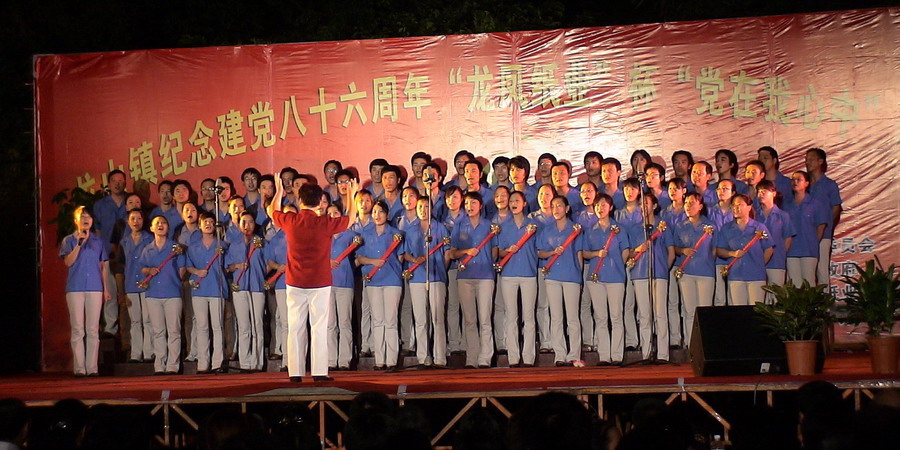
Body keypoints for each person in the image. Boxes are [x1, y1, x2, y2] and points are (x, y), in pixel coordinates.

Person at [268, 175, 357, 382]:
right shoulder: (324, 223)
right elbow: (351, 217)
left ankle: (295, 372)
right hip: (320, 282)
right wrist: (351, 194)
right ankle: (319, 372)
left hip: (295, 281)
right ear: (319, 203)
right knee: (319, 327)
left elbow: (272, 211)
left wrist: (279, 191)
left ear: (300, 201)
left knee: (295, 327)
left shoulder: (291, 220)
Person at [60, 206, 111, 376]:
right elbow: (68, 262)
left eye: (88, 217)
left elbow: (103, 266)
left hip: (95, 287)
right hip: (75, 287)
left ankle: (92, 368)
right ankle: (79, 368)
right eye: (82, 217)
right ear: (76, 220)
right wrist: (79, 244)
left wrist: (106, 289)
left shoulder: (98, 241)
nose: (86, 220)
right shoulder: (69, 240)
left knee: (93, 329)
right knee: (77, 329)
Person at [449, 191, 497, 368]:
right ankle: (472, 358)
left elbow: (494, 250)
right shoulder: (459, 225)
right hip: (465, 276)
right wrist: (465, 252)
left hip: (485, 276)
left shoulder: (489, 226)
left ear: (481, 205)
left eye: (473, 203)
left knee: (485, 318)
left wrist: (488, 263)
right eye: (467, 203)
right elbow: (452, 253)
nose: (470, 207)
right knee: (469, 320)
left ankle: (485, 358)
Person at [402, 196, 450, 367]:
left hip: (436, 277)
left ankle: (440, 357)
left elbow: (447, 253)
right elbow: (405, 253)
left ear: (432, 209)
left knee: (437, 318)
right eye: (420, 207)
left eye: (426, 206)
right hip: (417, 277)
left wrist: (441, 269)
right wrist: (414, 260)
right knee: (420, 319)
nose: (423, 210)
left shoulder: (440, 228)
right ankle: (423, 357)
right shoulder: (410, 230)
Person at [356, 201, 404, 370]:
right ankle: (379, 360)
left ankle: (391, 360)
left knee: (390, 320)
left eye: (381, 211)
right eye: (374, 212)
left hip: (392, 280)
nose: (377, 215)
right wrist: (373, 262)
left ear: (387, 214)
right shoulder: (364, 233)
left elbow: (401, 257)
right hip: (373, 279)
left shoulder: (396, 234)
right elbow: (359, 258)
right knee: (377, 320)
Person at [627, 192, 675, 362]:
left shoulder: (663, 226)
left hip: (659, 274)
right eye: (640, 204)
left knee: (660, 313)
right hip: (640, 274)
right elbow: (628, 253)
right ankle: (646, 353)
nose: (643, 207)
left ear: (654, 206)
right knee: (644, 315)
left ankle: (662, 354)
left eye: (646, 203)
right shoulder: (634, 228)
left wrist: (663, 269)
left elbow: (671, 252)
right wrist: (638, 250)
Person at [536, 196, 584, 366]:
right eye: (553, 206)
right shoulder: (547, 230)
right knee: (556, 317)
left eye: (559, 206)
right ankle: (559, 354)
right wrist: (552, 253)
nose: (556, 209)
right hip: (552, 276)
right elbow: (540, 252)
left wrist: (579, 276)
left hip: (571, 276)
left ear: (567, 208)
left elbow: (579, 254)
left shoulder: (575, 229)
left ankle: (574, 354)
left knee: (572, 318)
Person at [582, 193, 629, 365]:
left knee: (616, 316)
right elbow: (585, 252)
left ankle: (617, 355)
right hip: (596, 277)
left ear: (610, 207)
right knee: (600, 317)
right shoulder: (590, 230)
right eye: (597, 205)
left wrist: (618, 265)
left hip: (616, 277)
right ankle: (604, 356)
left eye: (603, 205)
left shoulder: (619, 229)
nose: (600, 208)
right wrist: (596, 254)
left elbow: (625, 251)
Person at [496, 191, 539, 367]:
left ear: (524, 203)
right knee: (511, 316)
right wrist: (507, 251)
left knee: (528, 317)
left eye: (517, 200)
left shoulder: (533, 226)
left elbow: (539, 249)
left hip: (529, 273)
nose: (514, 203)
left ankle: (528, 358)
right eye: (511, 201)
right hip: (509, 274)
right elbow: (498, 251)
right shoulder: (504, 226)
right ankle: (513, 357)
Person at [139, 215, 184, 375]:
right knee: (158, 331)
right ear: (151, 228)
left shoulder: (175, 248)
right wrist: (148, 270)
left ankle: (172, 365)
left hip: (172, 293)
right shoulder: (147, 249)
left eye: (164, 223)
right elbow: (142, 268)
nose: (160, 225)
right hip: (153, 293)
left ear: (168, 227)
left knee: (174, 331)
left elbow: (182, 270)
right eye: (157, 223)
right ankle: (159, 364)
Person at [185, 211, 229, 374]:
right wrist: (197, 272)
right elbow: (188, 266)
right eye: (205, 222)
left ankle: (218, 362)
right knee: (202, 326)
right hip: (199, 289)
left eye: (211, 222)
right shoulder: (193, 246)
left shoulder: (222, 245)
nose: (208, 224)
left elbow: (227, 266)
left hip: (217, 288)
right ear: (200, 225)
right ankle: (203, 362)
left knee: (218, 326)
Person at [673, 193, 716, 348]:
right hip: (687, 272)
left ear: (701, 206)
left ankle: (706, 345)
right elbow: (674, 247)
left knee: (705, 310)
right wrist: (682, 250)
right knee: (689, 310)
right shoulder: (680, 226)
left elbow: (715, 249)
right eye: (686, 202)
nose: (688, 206)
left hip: (706, 272)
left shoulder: (710, 226)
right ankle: (690, 343)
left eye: (692, 203)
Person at [715, 195, 773, 306]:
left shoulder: (759, 227)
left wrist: (759, 264)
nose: (735, 208)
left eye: (739, 205)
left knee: (756, 309)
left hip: (756, 276)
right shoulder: (726, 228)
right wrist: (732, 253)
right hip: (736, 275)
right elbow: (719, 250)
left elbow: (769, 249)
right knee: (739, 310)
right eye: (733, 205)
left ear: (749, 207)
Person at [93, 170, 127, 338]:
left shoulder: (131, 201)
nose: (117, 184)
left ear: (125, 183)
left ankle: (128, 333)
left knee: (128, 295)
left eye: (121, 181)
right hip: (108, 255)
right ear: (109, 183)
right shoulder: (100, 205)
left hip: (129, 256)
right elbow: (97, 230)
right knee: (110, 294)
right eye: (114, 180)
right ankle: (110, 330)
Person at [325, 204, 356, 370]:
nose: (332, 216)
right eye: (329, 213)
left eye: (335, 213)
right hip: (326, 283)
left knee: (345, 322)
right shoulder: (322, 236)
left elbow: (359, 256)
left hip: (345, 282)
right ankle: (331, 360)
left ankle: (345, 360)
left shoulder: (350, 235)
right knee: (330, 324)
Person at [120, 207, 154, 363]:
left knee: (148, 319)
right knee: (135, 321)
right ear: (128, 221)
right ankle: (135, 354)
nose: (136, 222)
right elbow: (121, 266)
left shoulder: (150, 239)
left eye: (139, 218)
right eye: (132, 219)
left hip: (148, 284)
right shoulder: (124, 242)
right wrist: (122, 291)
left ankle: (148, 352)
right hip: (130, 284)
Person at [806, 148, 842, 288]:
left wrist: (828, 226)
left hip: (823, 234)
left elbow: (836, 207)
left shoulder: (829, 185)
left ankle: (824, 300)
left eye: (811, 159)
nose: (807, 162)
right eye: (806, 159)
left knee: (821, 269)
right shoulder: (804, 184)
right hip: (804, 236)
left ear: (820, 161)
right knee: (807, 272)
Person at [784, 171, 828, 287]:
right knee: (794, 283)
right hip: (791, 249)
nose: (795, 182)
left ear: (807, 183)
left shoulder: (815, 203)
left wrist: (814, 241)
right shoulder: (787, 204)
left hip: (809, 248)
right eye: (793, 179)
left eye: (799, 179)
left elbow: (821, 226)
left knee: (809, 282)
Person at [755, 180, 795, 294]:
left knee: (777, 295)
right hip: (758, 261)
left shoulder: (783, 216)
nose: (761, 194)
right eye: (759, 192)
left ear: (773, 193)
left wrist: (781, 253)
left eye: (764, 191)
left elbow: (788, 238)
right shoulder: (755, 215)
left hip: (777, 261)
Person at [443, 185, 466, 356]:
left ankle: (466, 342)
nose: (452, 200)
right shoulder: (441, 221)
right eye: (449, 197)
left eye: (456, 197)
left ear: (462, 199)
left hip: (467, 267)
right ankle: (454, 342)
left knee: (467, 306)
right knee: (452, 305)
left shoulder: (469, 218)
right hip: (450, 268)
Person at [709, 179, 735, 307]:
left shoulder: (737, 211)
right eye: (719, 188)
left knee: (733, 296)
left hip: (733, 257)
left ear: (733, 192)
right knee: (719, 297)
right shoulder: (710, 211)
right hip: (716, 258)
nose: (722, 191)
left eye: (725, 189)